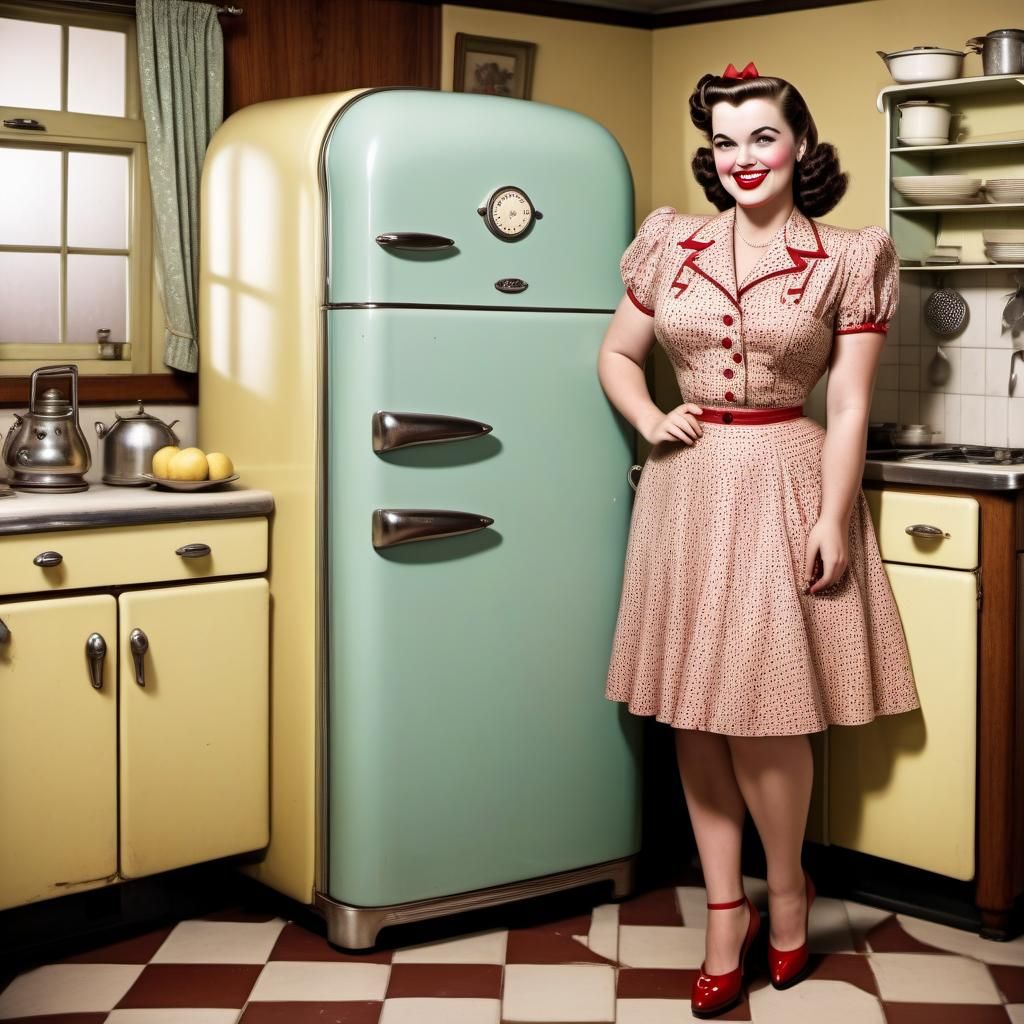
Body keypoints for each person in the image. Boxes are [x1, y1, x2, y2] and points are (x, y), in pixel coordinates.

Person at [597, 62, 922, 1018]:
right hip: (685, 489)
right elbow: (617, 354)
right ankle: (724, 911)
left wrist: (833, 515)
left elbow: (849, 402)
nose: (742, 157)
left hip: (785, 479)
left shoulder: (848, 256)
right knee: (694, 713)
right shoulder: (672, 242)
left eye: (762, 137)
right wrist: (650, 416)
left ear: (800, 146)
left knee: (766, 711)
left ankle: (788, 891)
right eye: (725, 141)